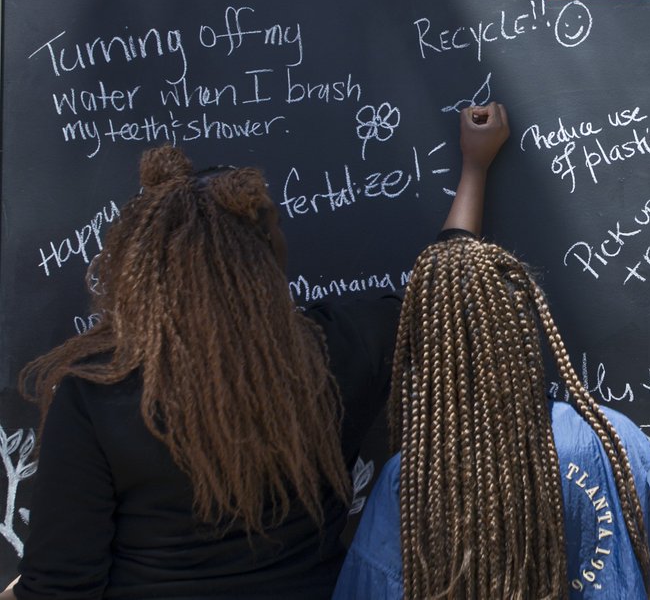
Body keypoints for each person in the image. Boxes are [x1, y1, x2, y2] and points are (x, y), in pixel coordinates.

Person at [9, 103, 509, 600]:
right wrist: (474, 168)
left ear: (148, 266)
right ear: (268, 257)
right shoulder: (335, 354)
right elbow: (447, 295)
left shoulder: (97, 394)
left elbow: (60, 588)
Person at [332, 237, 650, 599]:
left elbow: (370, 588)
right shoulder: (617, 441)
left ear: (428, 354)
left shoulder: (415, 478)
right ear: (522, 330)